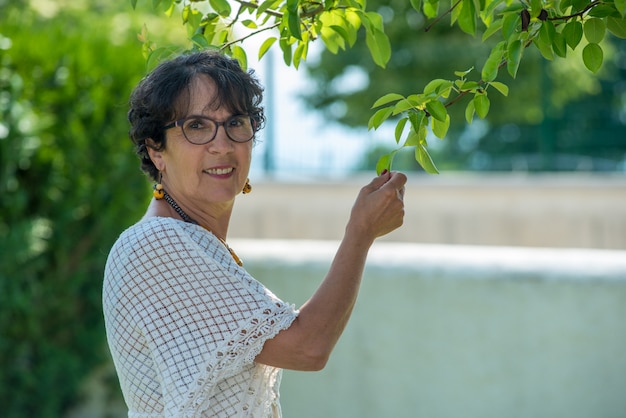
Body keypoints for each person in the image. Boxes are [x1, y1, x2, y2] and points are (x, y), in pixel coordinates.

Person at [103, 50, 406, 417]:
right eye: (196, 126)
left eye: (235, 123)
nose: (222, 144)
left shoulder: (193, 243)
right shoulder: (157, 244)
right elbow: (307, 347)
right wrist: (360, 233)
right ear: (156, 151)